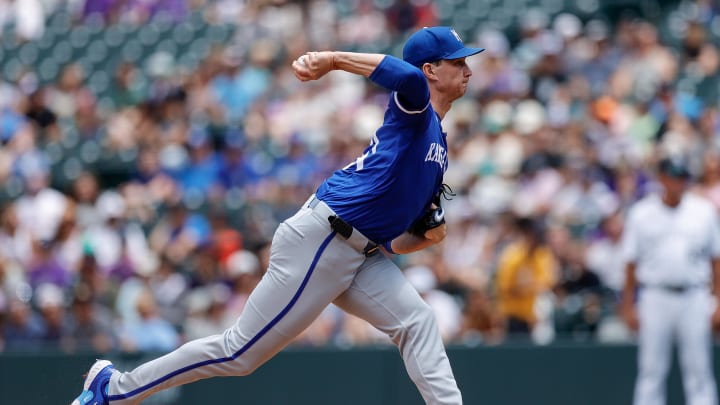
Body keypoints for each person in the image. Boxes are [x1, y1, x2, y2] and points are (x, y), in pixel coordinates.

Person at [70, 26, 483, 405]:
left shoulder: (438, 145)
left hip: (362, 251)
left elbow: (396, 240)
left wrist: (426, 238)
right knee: (239, 352)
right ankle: (112, 389)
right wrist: (332, 59)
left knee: (418, 321)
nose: (467, 69)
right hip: (324, 238)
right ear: (431, 69)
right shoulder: (414, 107)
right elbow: (404, 77)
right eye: (458, 61)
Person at [620, 156, 720, 405]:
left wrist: (718, 300)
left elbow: (716, 260)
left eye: (682, 177)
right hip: (655, 295)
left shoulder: (703, 211)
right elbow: (630, 262)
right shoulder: (642, 213)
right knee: (651, 370)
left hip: (694, 294)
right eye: (673, 177)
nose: (678, 183)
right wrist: (628, 305)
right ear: (662, 178)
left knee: (699, 369)